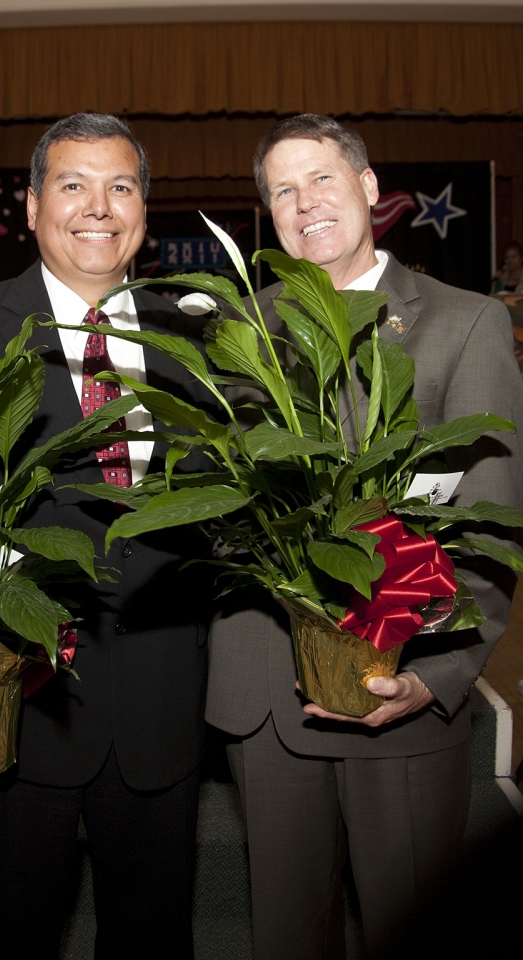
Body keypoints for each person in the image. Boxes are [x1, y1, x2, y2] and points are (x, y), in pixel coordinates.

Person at [0, 113, 216, 959]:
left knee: (155, 941)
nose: (97, 207)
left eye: (121, 186)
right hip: (8, 707)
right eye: (72, 185)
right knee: (10, 937)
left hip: (162, 706)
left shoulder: (197, 333)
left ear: (145, 206)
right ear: (31, 207)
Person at [205, 114, 523, 960]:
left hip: (401, 687)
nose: (304, 204)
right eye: (282, 191)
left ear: (370, 186)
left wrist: (441, 672)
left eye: (321, 179)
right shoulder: (239, 335)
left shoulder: (465, 323)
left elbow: (491, 520)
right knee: (286, 933)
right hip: (265, 694)